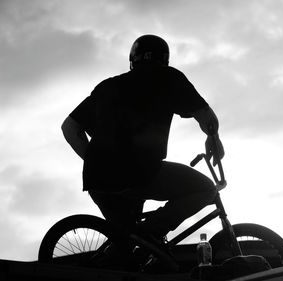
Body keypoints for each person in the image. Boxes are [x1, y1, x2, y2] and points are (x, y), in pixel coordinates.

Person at [61, 34, 224, 265]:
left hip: (99, 181)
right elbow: (206, 116)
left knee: (126, 248)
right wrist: (213, 136)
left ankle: (124, 251)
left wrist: (97, 162)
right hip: (141, 173)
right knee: (206, 188)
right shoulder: (168, 78)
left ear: (132, 59)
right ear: (165, 59)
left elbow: (69, 128)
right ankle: (152, 231)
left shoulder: (108, 86)